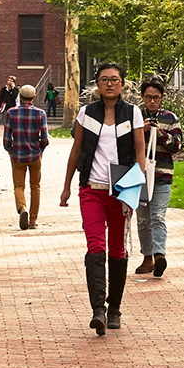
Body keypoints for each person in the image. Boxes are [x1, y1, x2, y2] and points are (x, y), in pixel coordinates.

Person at [59, 62, 149, 335]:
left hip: (121, 192)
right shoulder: (86, 113)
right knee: (95, 248)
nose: (109, 84)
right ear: (97, 84)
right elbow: (76, 151)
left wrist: (135, 187)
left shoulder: (132, 113)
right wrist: (66, 187)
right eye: (104, 80)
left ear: (122, 84)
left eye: (114, 79)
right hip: (91, 191)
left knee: (117, 251)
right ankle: (98, 308)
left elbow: (140, 153)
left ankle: (114, 310)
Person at [135, 79, 184, 277]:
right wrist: (142, 131)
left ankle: (159, 255)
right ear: (142, 97)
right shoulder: (135, 116)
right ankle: (147, 258)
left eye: (156, 97)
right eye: (148, 97)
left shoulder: (170, 118)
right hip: (139, 176)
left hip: (163, 175)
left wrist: (161, 133)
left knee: (157, 216)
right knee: (142, 220)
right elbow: (123, 143)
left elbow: (177, 146)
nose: (152, 101)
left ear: (162, 97)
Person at [2, 84, 50, 230]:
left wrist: (10, 150)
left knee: (18, 186)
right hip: (35, 155)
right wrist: (40, 150)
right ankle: (33, 220)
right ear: (34, 98)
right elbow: (45, 138)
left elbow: (6, 138)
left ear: (20, 97)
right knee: (35, 186)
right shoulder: (40, 114)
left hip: (17, 155)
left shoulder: (11, 113)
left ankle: (22, 208)